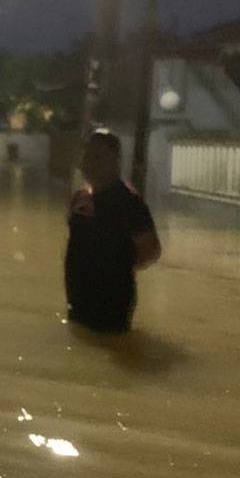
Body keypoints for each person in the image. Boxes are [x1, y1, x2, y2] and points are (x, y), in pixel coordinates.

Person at [65, 130, 161, 333]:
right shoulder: (80, 198)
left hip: (111, 305)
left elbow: (151, 251)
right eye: (87, 155)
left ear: (115, 160)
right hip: (78, 299)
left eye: (99, 156)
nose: (91, 161)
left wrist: (114, 265)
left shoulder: (129, 203)